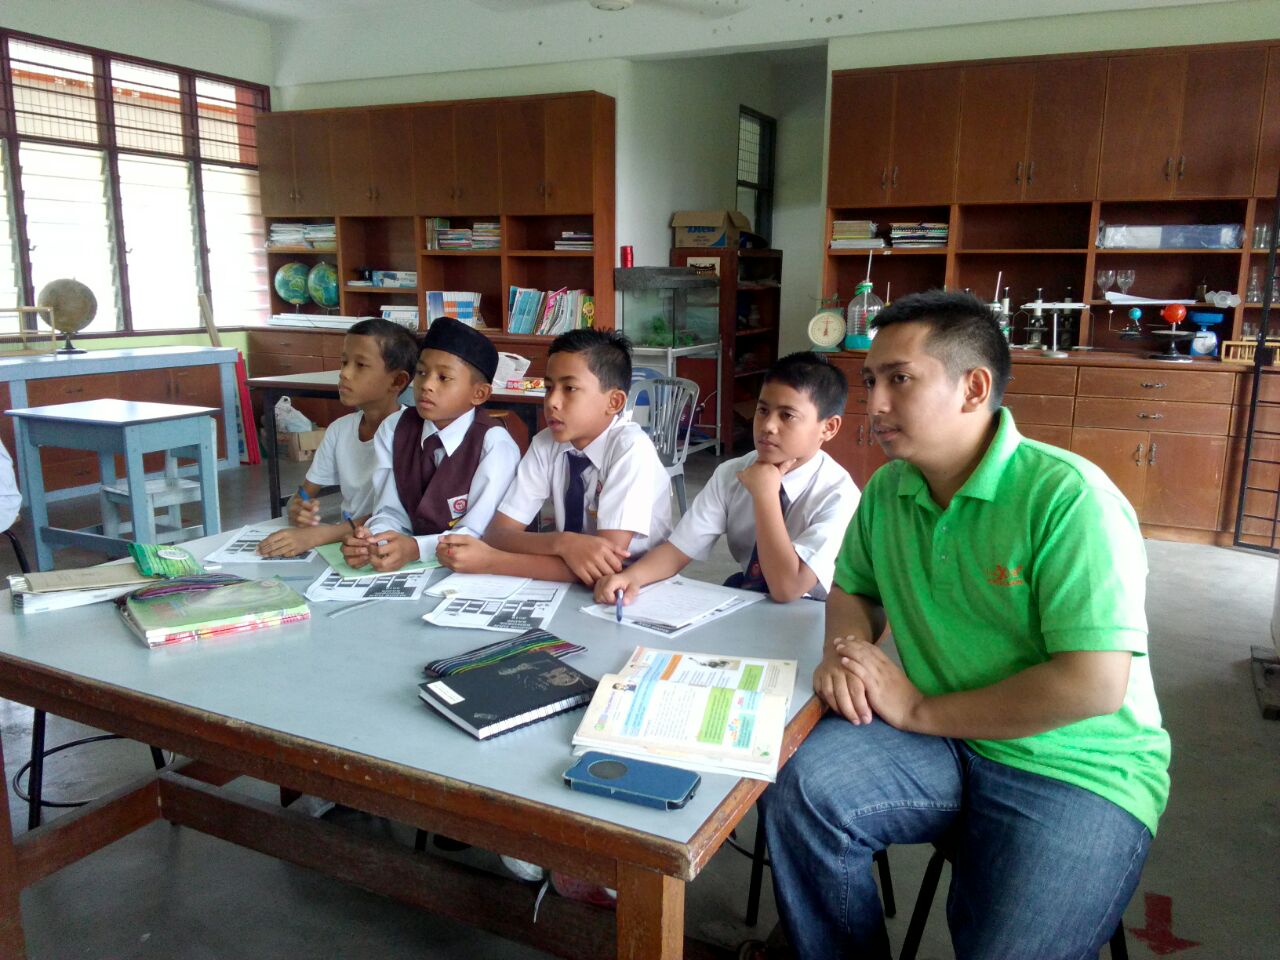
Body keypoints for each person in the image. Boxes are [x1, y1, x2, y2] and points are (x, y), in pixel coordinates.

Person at [758, 291, 1171, 960]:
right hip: (946, 743)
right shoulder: (891, 490)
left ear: (973, 388)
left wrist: (919, 707)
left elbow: (1094, 685)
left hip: (1075, 765)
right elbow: (854, 591)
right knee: (803, 789)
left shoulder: (1068, 498)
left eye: (900, 379)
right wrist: (846, 648)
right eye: (870, 380)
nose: (876, 403)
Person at [594, 351, 858, 607]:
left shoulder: (839, 495)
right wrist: (630, 578)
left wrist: (765, 494)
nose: (768, 426)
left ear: (829, 428)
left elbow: (787, 588)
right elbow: (678, 550)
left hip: (817, 610)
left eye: (787, 415)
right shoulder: (732, 473)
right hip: (752, 598)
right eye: (763, 410)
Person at [437, 328, 671, 585]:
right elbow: (499, 533)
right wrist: (564, 542)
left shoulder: (631, 449)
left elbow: (607, 566)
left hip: (636, 587)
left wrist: (490, 561)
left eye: (570, 388)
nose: (552, 402)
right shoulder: (546, 442)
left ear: (614, 402)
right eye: (549, 388)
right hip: (567, 576)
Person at [342, 316, 521, 572]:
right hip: (410, 566)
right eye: (422, 372)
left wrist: (414, 548)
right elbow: (389, 509)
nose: (426, 385)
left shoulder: (494, 445)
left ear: (478, 394)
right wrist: (378, 541)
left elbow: (478, 532)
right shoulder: (394, 429)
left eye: (443, 378)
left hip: (471, 571)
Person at [258, 318, 417, 558]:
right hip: (348, 543)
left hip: (386, 546)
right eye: (344, 362)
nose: (344, 374)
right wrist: (298, 507)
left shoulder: (409, 434)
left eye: (360, 365)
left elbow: (395, 514)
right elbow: (303, 492)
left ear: (397, 381)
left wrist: (321, 534)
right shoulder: (339, 430)